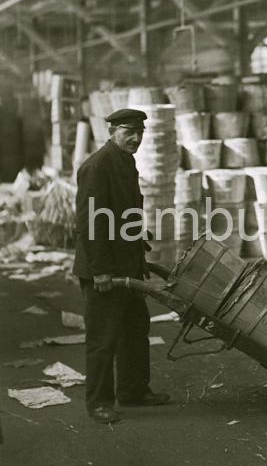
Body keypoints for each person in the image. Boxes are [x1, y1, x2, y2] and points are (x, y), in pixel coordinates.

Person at [73, 108, 169, 424]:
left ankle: (133, 391)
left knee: (135, 330)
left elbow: (123, 214)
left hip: (127, 265)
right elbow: (90, 223)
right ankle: (99, 402)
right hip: (104, 270)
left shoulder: (126, 162)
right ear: (112, 131)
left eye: (140, 132)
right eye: (129, 131)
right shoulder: (97, 166)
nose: (136, 138)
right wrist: (100, 269)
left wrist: (139, 241)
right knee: (103, 338)